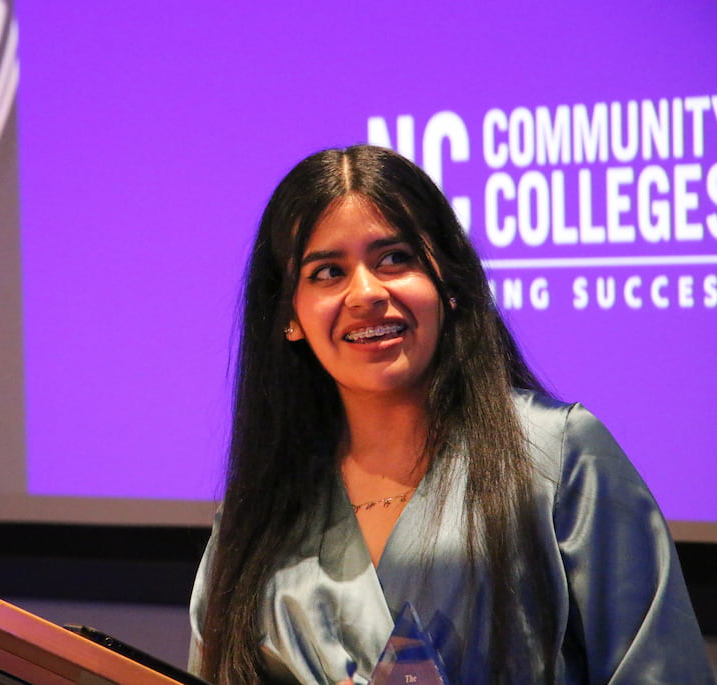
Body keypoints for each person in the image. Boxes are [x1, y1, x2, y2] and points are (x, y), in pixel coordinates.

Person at [187, 145, 714, 684]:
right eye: (327, 271)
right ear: (289, 316)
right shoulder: (258, 514)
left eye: (395, 258)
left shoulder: (559, 455)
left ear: (449, 282)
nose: (366, 292)